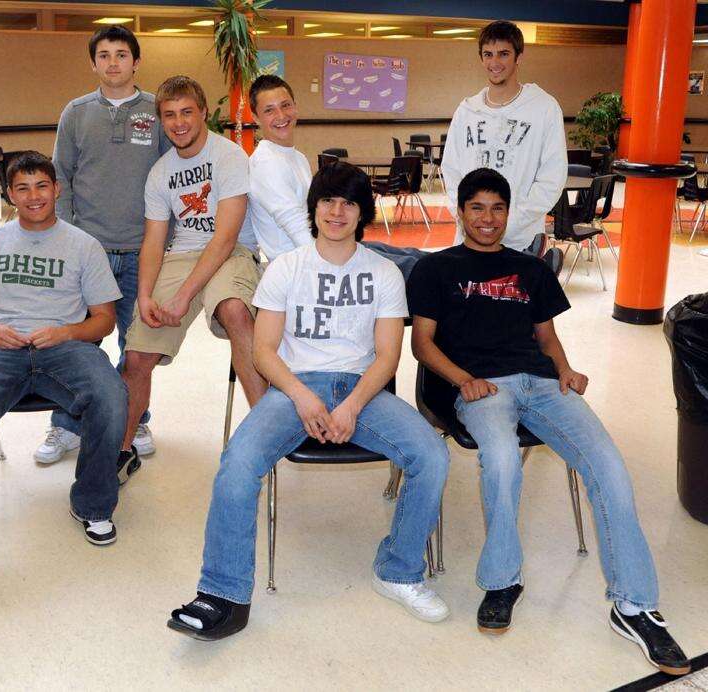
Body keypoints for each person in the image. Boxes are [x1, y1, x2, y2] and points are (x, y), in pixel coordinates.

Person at [407, 167, 691, 676]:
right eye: (477, 208)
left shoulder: (531, 269)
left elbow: (546, 337)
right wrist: (464, 380)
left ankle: (633, 607)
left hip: (541, 384)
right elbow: (422, 343)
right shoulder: (435, 269)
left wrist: (565, 370)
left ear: (508, 213)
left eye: (497, 208)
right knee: (501, 461)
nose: (488, 218)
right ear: (461, 212)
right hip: (483, 387)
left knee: (608, 466)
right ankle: (503, 582)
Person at [167, 162, 450, 641]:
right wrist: (300, 397)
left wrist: (352, 406)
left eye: (349, 203)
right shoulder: (285, 268)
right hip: (294, 387)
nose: (337, 212)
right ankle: (224, 595)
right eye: (328, 201)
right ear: (313, 208)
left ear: (362, 213)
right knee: (238, 462)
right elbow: (263, 350)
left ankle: (399, 571)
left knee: (432, 455)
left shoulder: (383, 273)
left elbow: (387, 357)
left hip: (361, 389)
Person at [0, 152, 129, 607]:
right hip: (2, 350)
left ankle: (92, 505)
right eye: (23, 188)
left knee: (112, 396)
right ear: (10, 195)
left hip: (66, 348)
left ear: (57, 189)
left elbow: (104, 320)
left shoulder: (83, 245)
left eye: (42, 186)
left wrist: (66, 332)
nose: (34, 196)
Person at [118, 75, 267, 470]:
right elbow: (154, 241)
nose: (179, 122)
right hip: (182, 253)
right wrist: (145, 296)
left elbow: (225, 236)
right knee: (136, 357)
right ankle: (121, 449)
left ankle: (267, 437)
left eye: (187, 112)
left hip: (231, 252)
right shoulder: (160, 172)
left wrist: (184, 296)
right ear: (161, 120)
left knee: (235, 310)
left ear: (203, 113)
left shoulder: (229, 156)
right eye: (170, 115)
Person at [36, 25, 169, 465]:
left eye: (122, 54)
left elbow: (171, 176)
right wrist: (66, 237)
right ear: (94, 63)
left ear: (136, 61)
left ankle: (135, 417)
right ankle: (66, 424)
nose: (113, 62)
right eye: (105, 55)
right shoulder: (76, 112)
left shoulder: (156, 111)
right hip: (87, 253)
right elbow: (61, 176)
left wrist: (166, 240)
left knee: (136, 347)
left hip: (141, 252)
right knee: (76, 347)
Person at [247, 74, 426, 280]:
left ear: (295, 107)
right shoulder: (266, 163)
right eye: (269, 110)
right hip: (305, 265)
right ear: (256, 118)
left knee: (414, 255)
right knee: (417, 268)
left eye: (285, 105)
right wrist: (343, 263)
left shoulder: (296, 157)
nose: (281, 115)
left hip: (326, 246)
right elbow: (297, 227)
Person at [441, 20, 567, 252]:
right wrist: (468, 218)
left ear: (519, 57)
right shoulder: (466, 111)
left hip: (520, 242)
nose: (495, 62)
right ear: (481, 58)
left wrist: (508, 222)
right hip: (470, 239)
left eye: (504, 54)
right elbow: (451, 171)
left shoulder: (544, 108)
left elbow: (552, 178)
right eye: (488, 54)